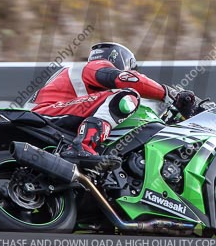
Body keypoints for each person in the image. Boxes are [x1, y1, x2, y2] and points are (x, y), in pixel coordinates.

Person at [27, 42, 196, 166]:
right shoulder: (94, 66)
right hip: (47, 114)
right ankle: (83, 145)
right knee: (127, 95)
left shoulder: (80, 80)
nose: (131, 71)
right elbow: (128, 80)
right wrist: (170, 94)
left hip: (51, 115)